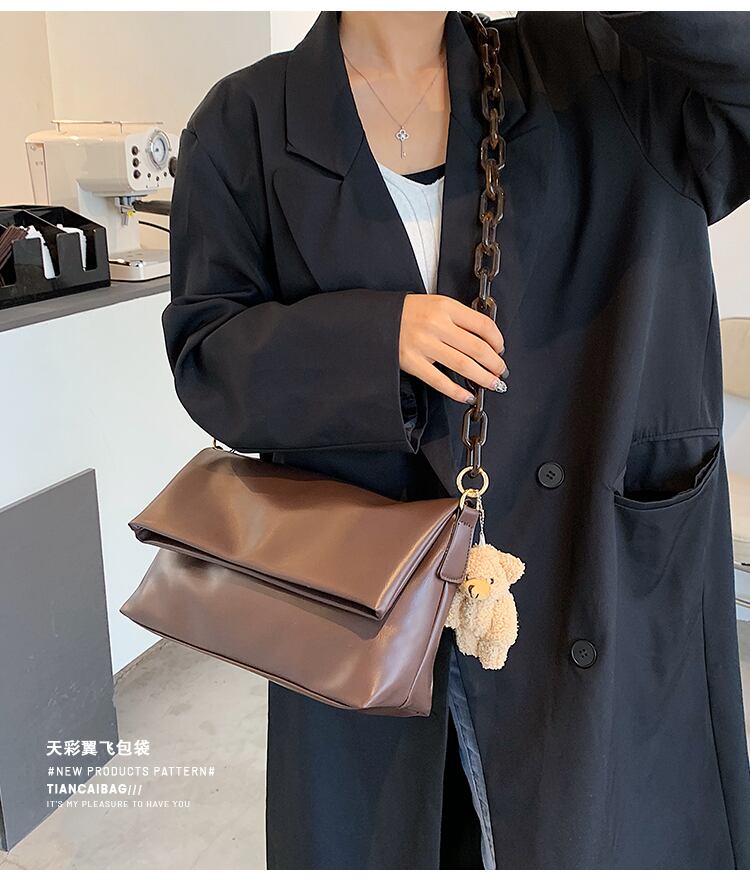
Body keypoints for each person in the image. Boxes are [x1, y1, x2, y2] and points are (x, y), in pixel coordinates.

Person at [162, 10, 750, 870]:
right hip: (367, 601)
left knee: (599, 830)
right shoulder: (245, 120)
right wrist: (376, 339)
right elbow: (206, 355)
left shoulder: (598, 68)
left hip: (592, 574)